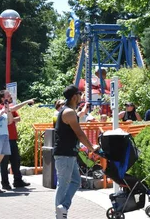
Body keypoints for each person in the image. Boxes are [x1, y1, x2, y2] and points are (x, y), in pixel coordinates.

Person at [54, 85, 100, 219]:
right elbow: (79, 133)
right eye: (80, 94)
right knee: (63, 183)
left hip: (70, 153)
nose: (81, 96)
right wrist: (92, 148)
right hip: (65, 153)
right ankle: (59, 213)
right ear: (74, 97)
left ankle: (63, 208)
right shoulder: (68, 112)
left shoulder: (69, 111)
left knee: (75, 181)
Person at [0, 89, 34, 190]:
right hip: (4, 139)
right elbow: (10, 120)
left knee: (16, 161)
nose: (10, 96)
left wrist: (11, 116)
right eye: (8, 95)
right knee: (4, 162)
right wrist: (11, 114)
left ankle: (18, 181)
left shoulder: (9, 107)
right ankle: (5, 183)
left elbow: (18, 118)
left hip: (12, 138)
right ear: (2, 98)